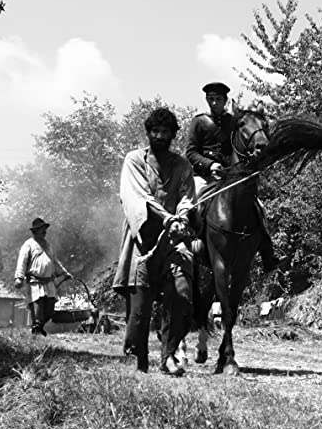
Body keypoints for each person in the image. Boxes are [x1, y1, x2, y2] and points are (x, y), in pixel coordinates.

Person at [114, 107, 199, 374]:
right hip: (142, 240)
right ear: (148, 133)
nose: (160, 136)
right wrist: (167, 219)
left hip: (173, 241)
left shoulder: (183, 165)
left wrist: (182, 219)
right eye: (155, 131)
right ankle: (137, 359)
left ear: (174, 134)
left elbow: (187, 198)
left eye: (165, 132)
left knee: (182, 294)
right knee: (139, 312)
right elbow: (139, 198)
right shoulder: (134, 160)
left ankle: (169, 355)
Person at [185, 81, 280, 272]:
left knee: (258, 206)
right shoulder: (199, 122)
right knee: (192, 206)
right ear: (207, 100)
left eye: (218, 99)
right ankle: (193, 244)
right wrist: (210, 164)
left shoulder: (232, 122)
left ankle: (267, 253)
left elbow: (240, 146)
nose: (214, 103)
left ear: (225, 101)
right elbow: (191, 152)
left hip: (228, 176)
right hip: (203, 176)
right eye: (211, 99)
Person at [14, 217, 72, 336]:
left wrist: (64, 273)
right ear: (35, 231)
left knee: (50, 310)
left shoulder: (48, 245)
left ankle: (38, 327)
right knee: (38, 307)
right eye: (41, 229)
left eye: (45, 229)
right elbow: (22, 261)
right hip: (35, 282)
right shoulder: (29, 244)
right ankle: (36, 330)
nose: (44, 231)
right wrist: (19, 277)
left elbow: (54, 261)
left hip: (48, 282)